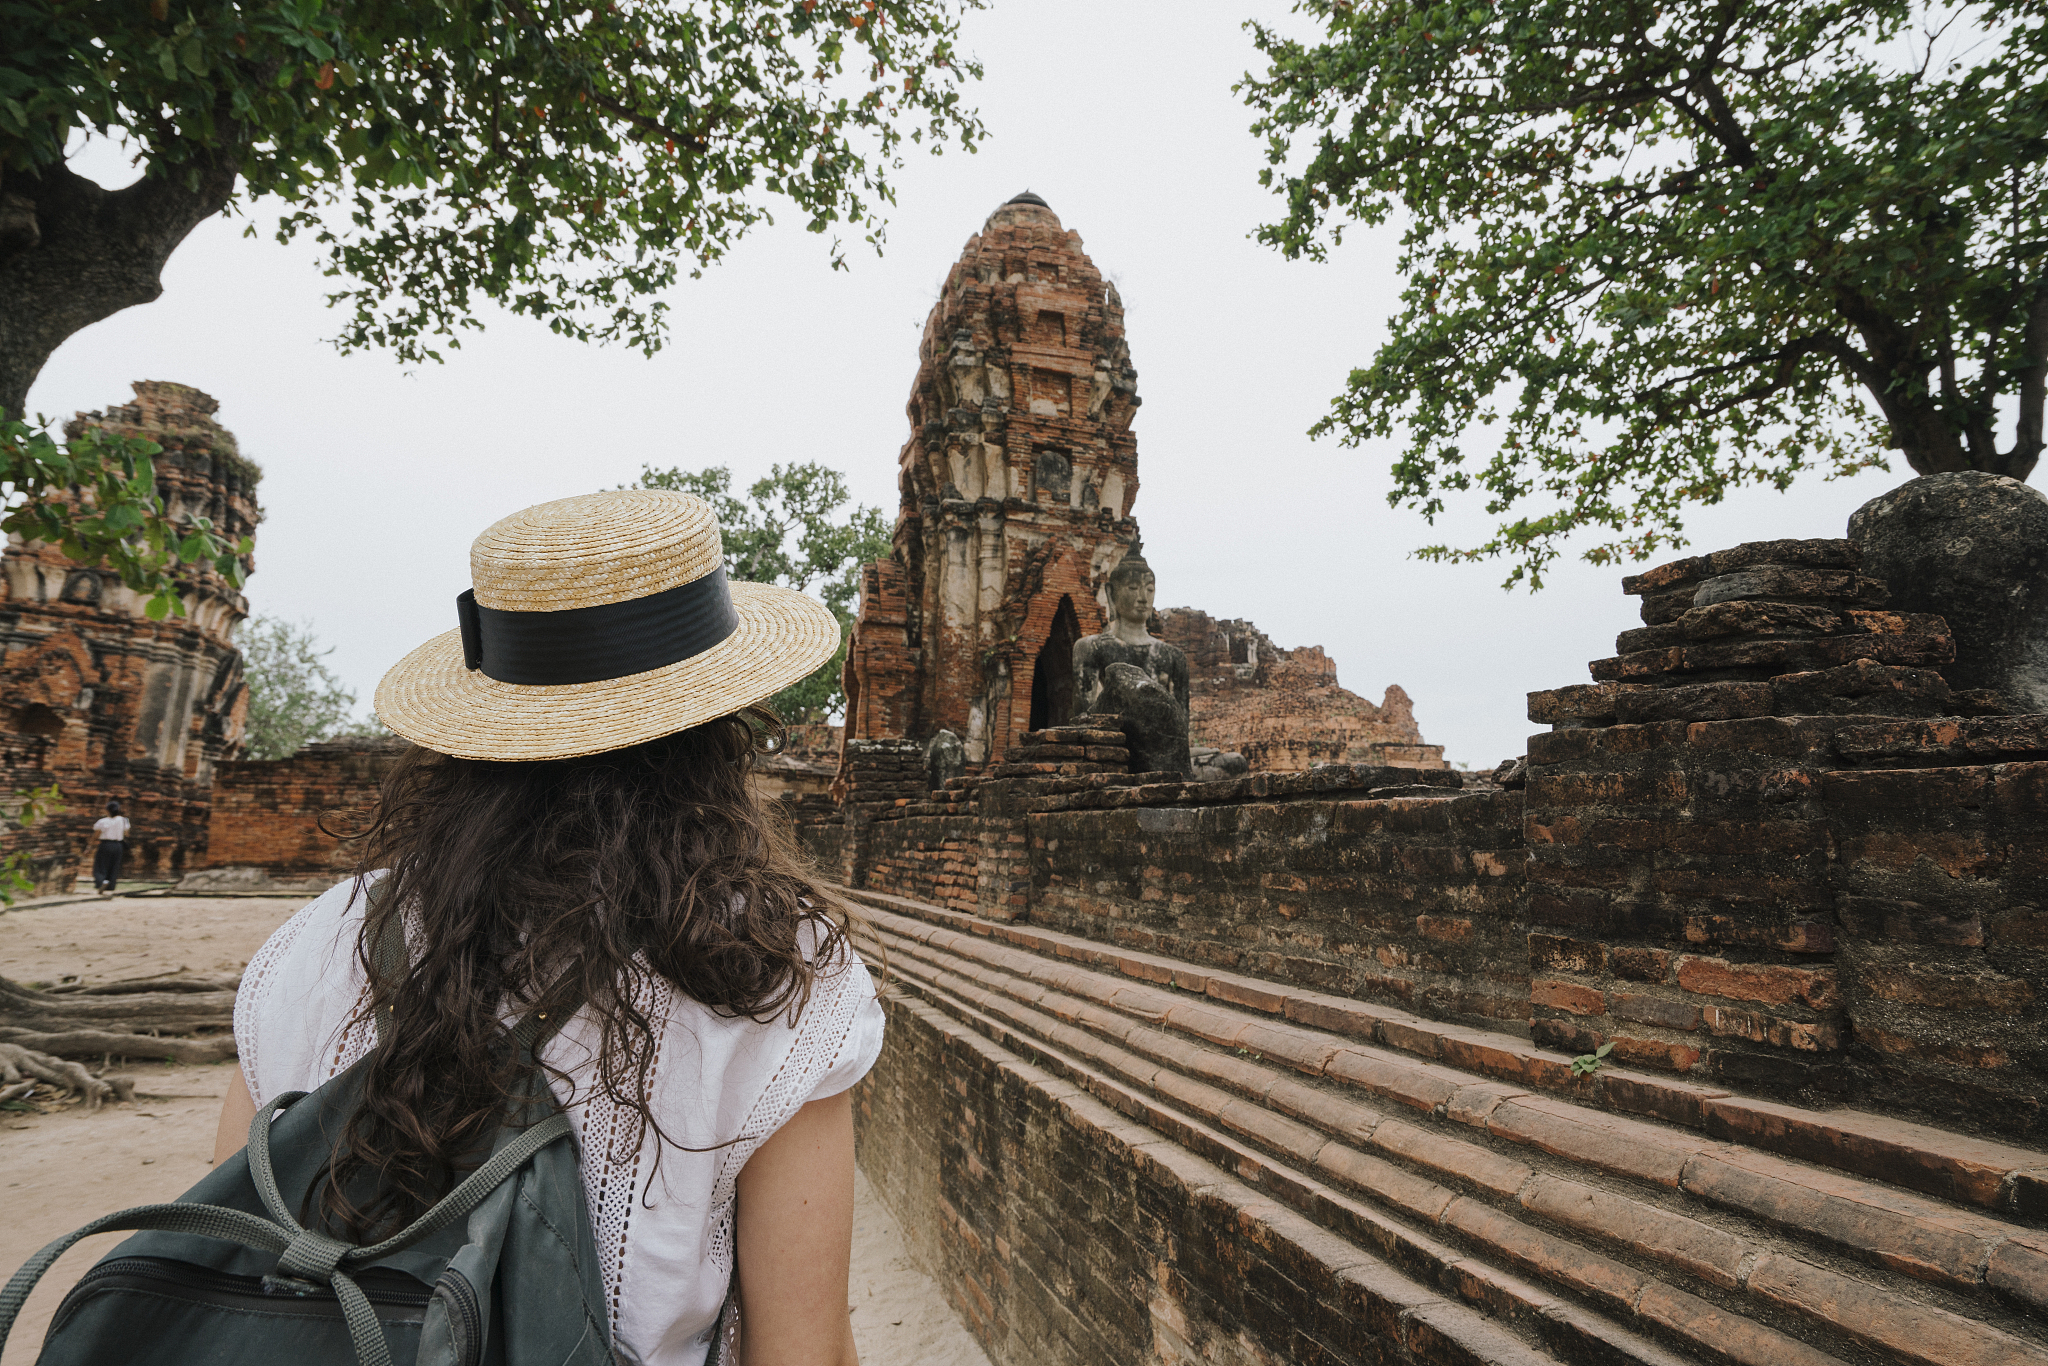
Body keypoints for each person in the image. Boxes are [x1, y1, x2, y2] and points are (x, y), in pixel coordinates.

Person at [214, 490, 878, 1366]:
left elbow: (229, 1259)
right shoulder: (770, 969)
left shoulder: (319, 942)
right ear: (718, 731)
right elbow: (802, 1350)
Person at [90, 799, 129, 893]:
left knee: (101, 865)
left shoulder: (103, 821)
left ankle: (101, 882)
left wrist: (90, 846)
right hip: (118, 845)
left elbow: (96, 835)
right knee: (114, 865)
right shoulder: (124, 820)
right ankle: (110, 885)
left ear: (107, 810)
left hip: (106, 844)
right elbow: (126, 833)